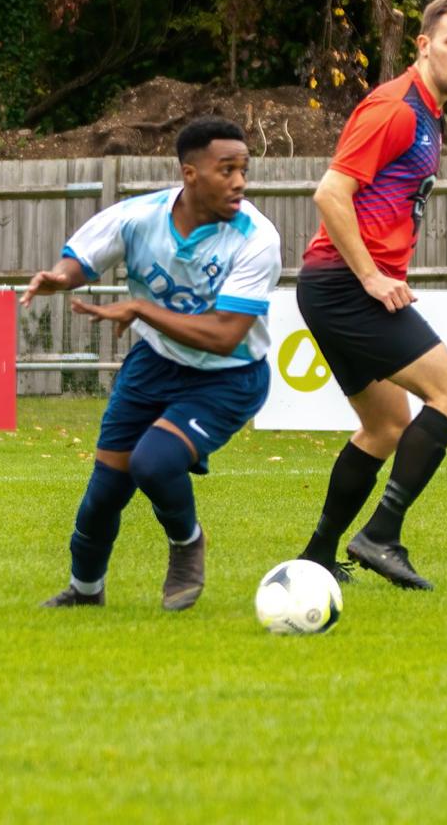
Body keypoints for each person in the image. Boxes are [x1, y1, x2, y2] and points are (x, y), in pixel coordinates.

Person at [22, 117, 281, 612]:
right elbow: (82, 259)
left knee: (153, 462)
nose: (239, 182)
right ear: (190, 174)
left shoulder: (256, 239)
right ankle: (85, 592)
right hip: (155, 364)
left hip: (228, 377)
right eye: (226, 170)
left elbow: (226, 336)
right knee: (104, 493)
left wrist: (142, 309)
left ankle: (187, 543)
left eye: (243, 169)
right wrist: (60, 278)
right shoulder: (139, 217)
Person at [296, 0, 447, 591]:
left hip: (335, 288)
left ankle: (317, 556)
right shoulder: (395, 108)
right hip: (348, 288)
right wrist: (373, 276)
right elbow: (330, 193)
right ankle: (381, 535)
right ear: (423, 44)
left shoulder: (428, 113)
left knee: (384, 427)